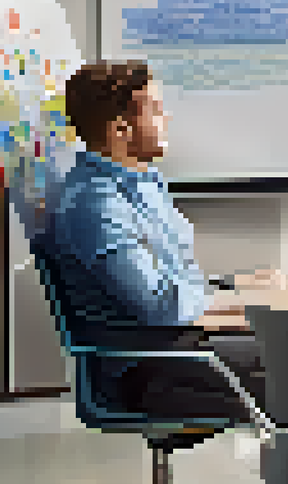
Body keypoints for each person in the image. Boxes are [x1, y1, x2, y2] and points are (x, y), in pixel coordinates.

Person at [39, 61, 265, 422]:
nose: (168, 117)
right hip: (151, 368)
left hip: (178, 347)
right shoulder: (96, 204)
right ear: (120, 129)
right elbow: (161, 306)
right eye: (156, 109)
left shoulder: (143, 182)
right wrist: (249, 310)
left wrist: (234, 288)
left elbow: (170, 280)